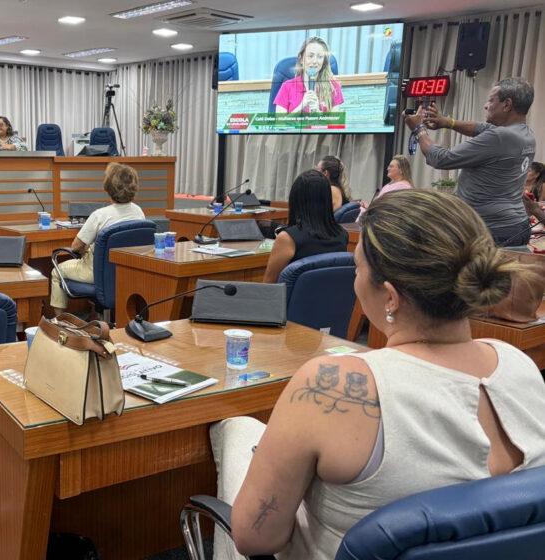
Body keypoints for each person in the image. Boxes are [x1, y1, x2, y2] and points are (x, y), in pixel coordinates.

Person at [215, 189, 545, 560]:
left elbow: (256, 539)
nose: (355, 281)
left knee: (234, 429)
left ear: (390, 296)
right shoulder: (521, 365)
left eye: (357, 268)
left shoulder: (328, 386)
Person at [405, 76, 537, 245]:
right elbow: (482, 127)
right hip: (515, 226)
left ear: (507, 105)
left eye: (491, 100)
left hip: (490, 230)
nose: (486, 105)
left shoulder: (499, 137)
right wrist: (447, 122)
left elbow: (441, 159)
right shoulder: (526, 134)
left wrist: (418, 130)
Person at [50, 162, 145, 314]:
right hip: (126, 273)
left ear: (108, 188)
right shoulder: (139, 212)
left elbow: (75, 247)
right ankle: (97, 317)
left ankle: (60, 323)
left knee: (56, 271)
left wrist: (86, 247)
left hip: (97, 273)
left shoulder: (100, 215)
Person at [262, 169, 348, 283]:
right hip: (333, 300)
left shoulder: (288, 239)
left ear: (295, 200)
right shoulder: (343, 235)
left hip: (291, 301)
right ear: (327, 199)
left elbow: (268, 286)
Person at [273, 36, 343, 114]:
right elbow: (280, 124)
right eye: (310, 56)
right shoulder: (287, 87)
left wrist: (318, 113)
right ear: (301, 59)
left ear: (324, 61)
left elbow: (336, 125)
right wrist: (302, 106)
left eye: (320, 57)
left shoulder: (333, 87)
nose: (315, 61)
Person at [357, 154, 413, 221]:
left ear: (401, 170)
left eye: (391, 166)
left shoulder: (403, 187)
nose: (387, 169)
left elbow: (390, 209)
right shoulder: (391, 185)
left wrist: (370, 207)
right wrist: (367, 205)